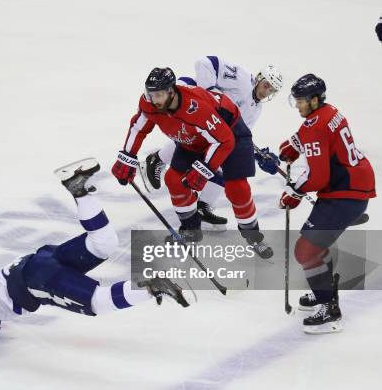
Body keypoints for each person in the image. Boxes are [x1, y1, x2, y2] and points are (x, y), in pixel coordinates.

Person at [0, 158, 189, 361]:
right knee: (104, 242)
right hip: (42, 260)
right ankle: (81, 192)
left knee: (97, 301)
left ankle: (152, 286)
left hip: (37, 279)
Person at [111, 67, 273, 259]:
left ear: (172, 91)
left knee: (237, 188)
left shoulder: (195, 107)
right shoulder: (150, 103)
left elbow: (224, 140)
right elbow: (139, 127)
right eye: (151, 94)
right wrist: (127, 156)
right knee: (173, 179)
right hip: (195, 138)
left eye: (160, 95)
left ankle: (253, 237)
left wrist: (204, 169)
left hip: (231, 134)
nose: (155, 100)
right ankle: (191, 230)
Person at [278, 74, 376, 334]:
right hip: (353, 184)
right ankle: (322, 289)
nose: (297, 106)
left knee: (306, 250)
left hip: (345, 193)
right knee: (314, 246)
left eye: (300, 101)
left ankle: (329, 309)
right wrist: (296, 144)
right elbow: (316, 134)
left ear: (314, 99)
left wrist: (294, 192)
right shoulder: (330, 111)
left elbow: (318, 177)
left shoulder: (314, 125)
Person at [139, 56, 283, 231]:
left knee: (221, 155)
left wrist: (257, 155)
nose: (266, 91)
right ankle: (157, 160)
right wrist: (211, 94)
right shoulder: (242, 78)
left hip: (208, 121)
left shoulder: (256, 109)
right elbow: (205, 63)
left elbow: (232, 133)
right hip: (190, 99)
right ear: (259, 77)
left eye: (272, 90)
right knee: (191, 137)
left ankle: (203, 206)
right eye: (266, 85)